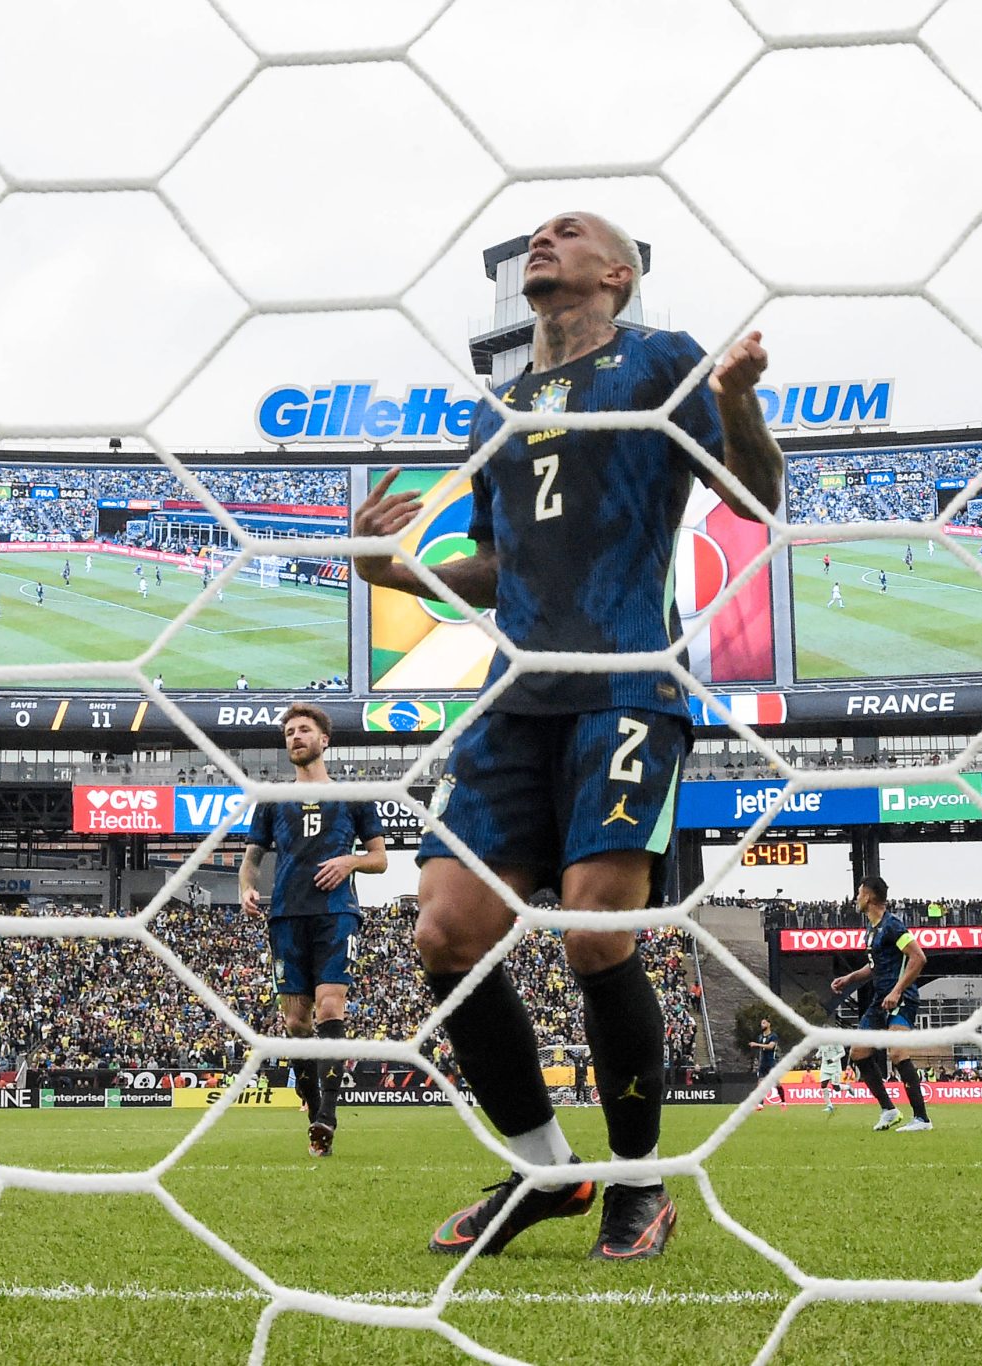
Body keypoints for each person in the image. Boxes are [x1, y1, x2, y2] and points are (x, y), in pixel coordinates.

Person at [352, 210, 782, 1262]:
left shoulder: (662, 363)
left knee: (595, 929)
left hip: (626, 681)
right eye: (535, 234)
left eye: (569, 232)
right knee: (443, 933)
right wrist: (396, 571)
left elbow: (755, 496)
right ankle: (547, 1169)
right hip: (515, 695)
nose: (544, 240)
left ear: (616, 275)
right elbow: (498, 573)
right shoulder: (495, 413)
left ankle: (640, 1184)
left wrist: (734, 407)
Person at [238, 703, 387, 1158]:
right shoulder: (273, 800)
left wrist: (350, 860)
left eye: (304, 730)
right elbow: (252, 859)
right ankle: (311, 1094)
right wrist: (246, 887)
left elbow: (380, 859)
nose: (295, 737)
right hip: (285, 916)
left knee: (329, 1006)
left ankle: (329, 1114)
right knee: (295, 1022)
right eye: (289, 732)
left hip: (336, 913)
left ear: (325, 740)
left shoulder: (353, 795)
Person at [829, 875, 932, 1133]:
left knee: (897, 1054)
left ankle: (922, 1118)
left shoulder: (892, 925)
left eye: (859, 893)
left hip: (901, 998)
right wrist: (851, 977)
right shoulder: (872, 931)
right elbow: (876, 967)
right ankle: (889, 1110)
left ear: (870, 897)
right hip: (880, 1000)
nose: (856, 898)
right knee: (859, 1052)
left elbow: (918, 958)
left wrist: (898, 991)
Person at [749, 1018, 780, 1108]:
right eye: (761, 1023)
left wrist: (757, 1044)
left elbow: (770, 1047)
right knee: (760, 1082)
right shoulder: (760, 1037)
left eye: (764, 1023)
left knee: (776, 1083)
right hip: (763, 1062)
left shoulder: (773, 1036)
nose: (762, 1025)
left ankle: (783, 1100)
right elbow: (761, 1050)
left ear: (769, 1024)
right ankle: (760, 1104)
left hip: (771, 1062)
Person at [814, 1040, 847, 1115]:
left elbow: (843, 1053)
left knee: (836, 1088)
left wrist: (833, 1059)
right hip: (825, 1066)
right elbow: (820, 1051)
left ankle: (848, 1087)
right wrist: (816, 1056)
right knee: (823, 1085)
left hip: (835, 1067)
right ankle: (829, 1106)